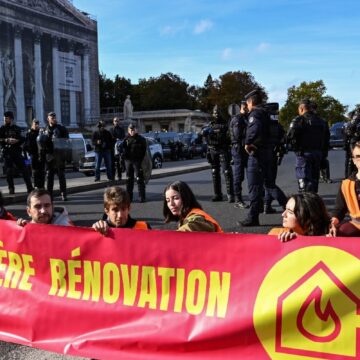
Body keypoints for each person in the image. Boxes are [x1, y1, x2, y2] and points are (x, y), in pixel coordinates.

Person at [239, 90, 270, 226]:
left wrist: (247, 142)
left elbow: (254, 128)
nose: (247, 106)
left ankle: (253, 217)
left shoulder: (255, 114)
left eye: (247, 103)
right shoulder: (266, 113)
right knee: (267, 185)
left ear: (251, 102)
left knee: (254, 186)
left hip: (256, 153)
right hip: (266, 152)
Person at [286, 99, 327, 193]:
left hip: (304, 154)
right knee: (314, 179)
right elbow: (326, 140)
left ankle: (305, 202)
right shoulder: (321, 121)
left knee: (303, 180)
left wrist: (293, 146)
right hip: (317, 153)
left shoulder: (299, 120)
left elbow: (289, 136)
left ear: (301, 109)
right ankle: (313, 200)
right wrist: (324, 155)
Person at [202, 105, 234, 202]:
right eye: (214, 112)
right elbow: (202, 137)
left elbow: (231, 138)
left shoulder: (226, 125)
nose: (216, 114)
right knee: (214, 172)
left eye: (218, 112)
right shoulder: (209, 125)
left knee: (227, 172)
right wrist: (204, 132)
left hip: (223, 149)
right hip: (212, 150)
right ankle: (217, 194)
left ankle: (230, 194)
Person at [329, 141, 360, 237]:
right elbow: (339, 210)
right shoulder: (346, 185)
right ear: (354, 160)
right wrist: (332, 223)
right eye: (358, 156)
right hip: (357, 225)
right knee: (338, 232)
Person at [0, 111, 33, 194]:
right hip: (7, 152)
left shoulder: (17, 128)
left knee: (24, 169)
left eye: (7, 118)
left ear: (11, 119)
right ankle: (11, 188)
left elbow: (23, 139)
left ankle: (30, 187)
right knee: (9, 171)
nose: (5, 120)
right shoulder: (2, 129)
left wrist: (16, 140)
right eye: (4, 118)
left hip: (16, 152)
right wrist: (6, 140)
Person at [263, 102, 287, 214]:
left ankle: (285, 203)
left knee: (268, 183)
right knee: (270, 181)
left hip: (265, 155)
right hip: (274, 154)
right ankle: (267, 206)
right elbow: (284, 138)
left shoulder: (264, 124)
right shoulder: (278, 125)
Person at [42, 112, 69, 201]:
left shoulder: (61, 128)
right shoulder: (44, 130)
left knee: (61, 175)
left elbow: (67, 140)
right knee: (49, 176)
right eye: (51, 117)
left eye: (54, 117)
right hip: (49, 155)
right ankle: (49, 196)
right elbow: (41, 143)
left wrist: (59, 140)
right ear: (48, 119)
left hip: (59, 155)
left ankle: (63, 194)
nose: (53, 118)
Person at [229, 101, 249, 209]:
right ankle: (238, 199)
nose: (248, 110)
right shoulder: (238, 119)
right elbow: (237, 136)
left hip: (244, 149)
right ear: (243, 108)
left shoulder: (245, 118)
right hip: (238, 150)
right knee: (238, 175)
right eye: (246, 108)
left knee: (250, 173)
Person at [122, 123, 147, 202]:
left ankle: (141, 196)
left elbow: (144, 151)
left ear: (136, 130)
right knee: (129, 180)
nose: (132, 131)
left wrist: (140, 160)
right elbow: (122, 150)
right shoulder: (125, 139)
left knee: (139, 179)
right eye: (130, 129)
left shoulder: (141, 139)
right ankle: (129, 197)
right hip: (128, 161)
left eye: (133, 129)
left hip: (137, 161)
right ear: (128, 130)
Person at [24, 118, 45, 188]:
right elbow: (25, 146)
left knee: (42, 171)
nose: (36, 125)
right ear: (32, 124)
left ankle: (42, 186)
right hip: (33, 155)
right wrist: (27, 158)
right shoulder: (29, 133)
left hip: (41, 155)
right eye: (35, 124)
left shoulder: (40, 133)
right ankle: (36, 186)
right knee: (35, 172)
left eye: (37, 124)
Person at [343, 110, 360, 178]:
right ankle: (349, 176)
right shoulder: (353, 122)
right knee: (351, 159)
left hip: (353, 141)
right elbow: (347, 132)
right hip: (354, 142)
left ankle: (349, 176)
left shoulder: (353, 122)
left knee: (351, 159)